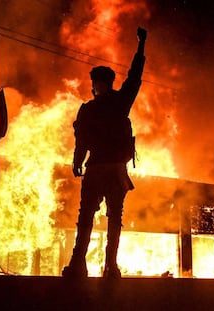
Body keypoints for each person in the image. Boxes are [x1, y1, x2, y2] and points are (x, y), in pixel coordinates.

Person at [62, 27, 147, 279]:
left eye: (98, 83)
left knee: (89, 216)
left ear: (99, 85)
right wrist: (141, 44)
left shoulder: (90, 109)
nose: (97, 86)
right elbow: (134, 77)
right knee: (109, 218)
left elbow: (82, 139)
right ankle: (106, 266)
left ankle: (84, 264)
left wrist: (78, 162)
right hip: (111, 170)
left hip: (99, 169)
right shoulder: (118, 103)